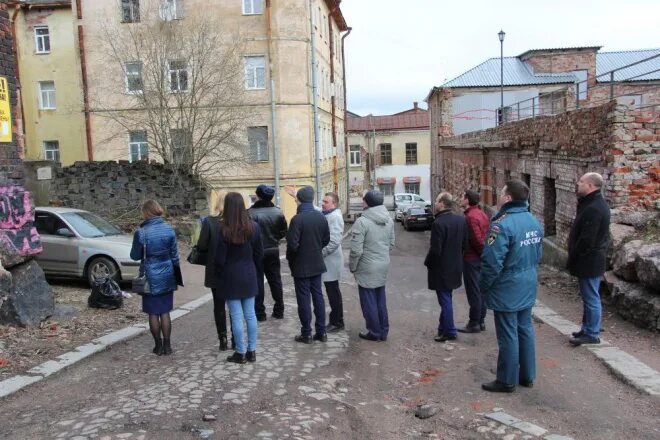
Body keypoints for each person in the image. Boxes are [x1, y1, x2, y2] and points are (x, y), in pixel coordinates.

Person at [480, 180, 543, 393]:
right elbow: (538, 254)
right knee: (525, 328)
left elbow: (492, 261)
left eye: (501, 192)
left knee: (508, 333)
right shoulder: (533, 220)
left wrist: (484, 285)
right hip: (528, 280)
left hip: (508, 285)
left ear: (508, 198)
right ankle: (527, 375)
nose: (499, 196)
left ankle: (506, 379)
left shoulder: (502, 225)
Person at [214, 192, 263, 364]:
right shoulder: (254, 227)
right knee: (250, 314)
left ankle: (240, 352)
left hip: (230, 275)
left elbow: (219, 258)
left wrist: (219, 272)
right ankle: (252, 350)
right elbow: (258, 253)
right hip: (249, 273)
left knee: (236, 315)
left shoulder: (223, 229)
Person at [130, 200, 180, 356]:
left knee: (153, 312)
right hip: (167, 274)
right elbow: (175, 256)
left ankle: (158, 346)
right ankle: (168, 346)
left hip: (150, 276)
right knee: (165, 311)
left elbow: (134, 255)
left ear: (146, 213)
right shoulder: (169, 230)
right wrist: (175, 276)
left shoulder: (141, 232)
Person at [567, 172, 610, 346]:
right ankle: (587, 328)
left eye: (582, 182)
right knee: (588, 296)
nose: (578, 184)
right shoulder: (591, 204)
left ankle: (592, 333)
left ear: (591, 186)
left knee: (591, 296)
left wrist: (575, 255)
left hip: (589, 261)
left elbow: (587, 239)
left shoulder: (594, 208)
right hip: (589, 260)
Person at [286, 186, 330, 344]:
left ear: (299, 200)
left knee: (304, 299)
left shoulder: (297, 219)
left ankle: (306, 333)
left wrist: (293, 260)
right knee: (318, 295)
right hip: (317, 262)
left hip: (301, 264)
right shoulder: (320, 217)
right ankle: (321, 331)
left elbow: (292, 245)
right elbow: (326, 239)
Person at [349, 190, 395, 342]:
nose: (362, 202)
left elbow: (356, 250)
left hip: (367, 266)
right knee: (380, 299)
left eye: (363, 200)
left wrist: (352, 266)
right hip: (383, 263)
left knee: (368, 301)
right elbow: (391, 243)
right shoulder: (388, 219)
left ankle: (374, 332)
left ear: (368, 203)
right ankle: (383, 330)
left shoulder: (362, 221)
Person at [424, 192, 468, 342]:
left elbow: (436, 250)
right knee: (447, 298)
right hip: (455, 266)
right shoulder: (460, 220)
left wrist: (428, 262)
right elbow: (464, 244)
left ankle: (449, 331)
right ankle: (443, 328)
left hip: (441, 269)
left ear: (442, 203)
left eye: (436, 201)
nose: (435, 203)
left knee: (445, 300)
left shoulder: (438, 223)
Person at [197, 190, 233, 351]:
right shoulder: (239, 222)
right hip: (234, 270)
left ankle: (223, 339)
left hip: (215, 269)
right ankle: (236, 338)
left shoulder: (210, 222)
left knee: (219, 306)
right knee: (234, 305)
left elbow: (202, 246)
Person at [249, 184, 288, 320]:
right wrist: (274, 239)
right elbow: (283, 231)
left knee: (258, 281)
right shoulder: (278, 212)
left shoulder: (249, 213)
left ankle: (260, 313)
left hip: (256, 252)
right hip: (273, 249)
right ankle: (279, 310)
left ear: (258, 196)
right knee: (275, 280)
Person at [458, 189, 490, 333]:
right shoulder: (482, 214)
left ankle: (474, 322)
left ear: (467, 200)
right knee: (480, 291)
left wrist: (482, 254)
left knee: (473, 291)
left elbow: (477, 240)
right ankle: (481, 320)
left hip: (472, 259)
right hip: (479, 258)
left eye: (462, 196)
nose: (460, 199)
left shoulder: (470, 217)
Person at [321, 192, 345, 332]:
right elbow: (316, 209)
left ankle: (337, 322)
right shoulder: (328, 213)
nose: (323, 204)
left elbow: (335, 241)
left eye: (326, 202)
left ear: (334, 204)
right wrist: (297, 197)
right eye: (322, 201)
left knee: (333, 292)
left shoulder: (335, 217)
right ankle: (336, 320)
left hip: (331, 260)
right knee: (332, 291)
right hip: (329, 260)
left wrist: (321, 253)